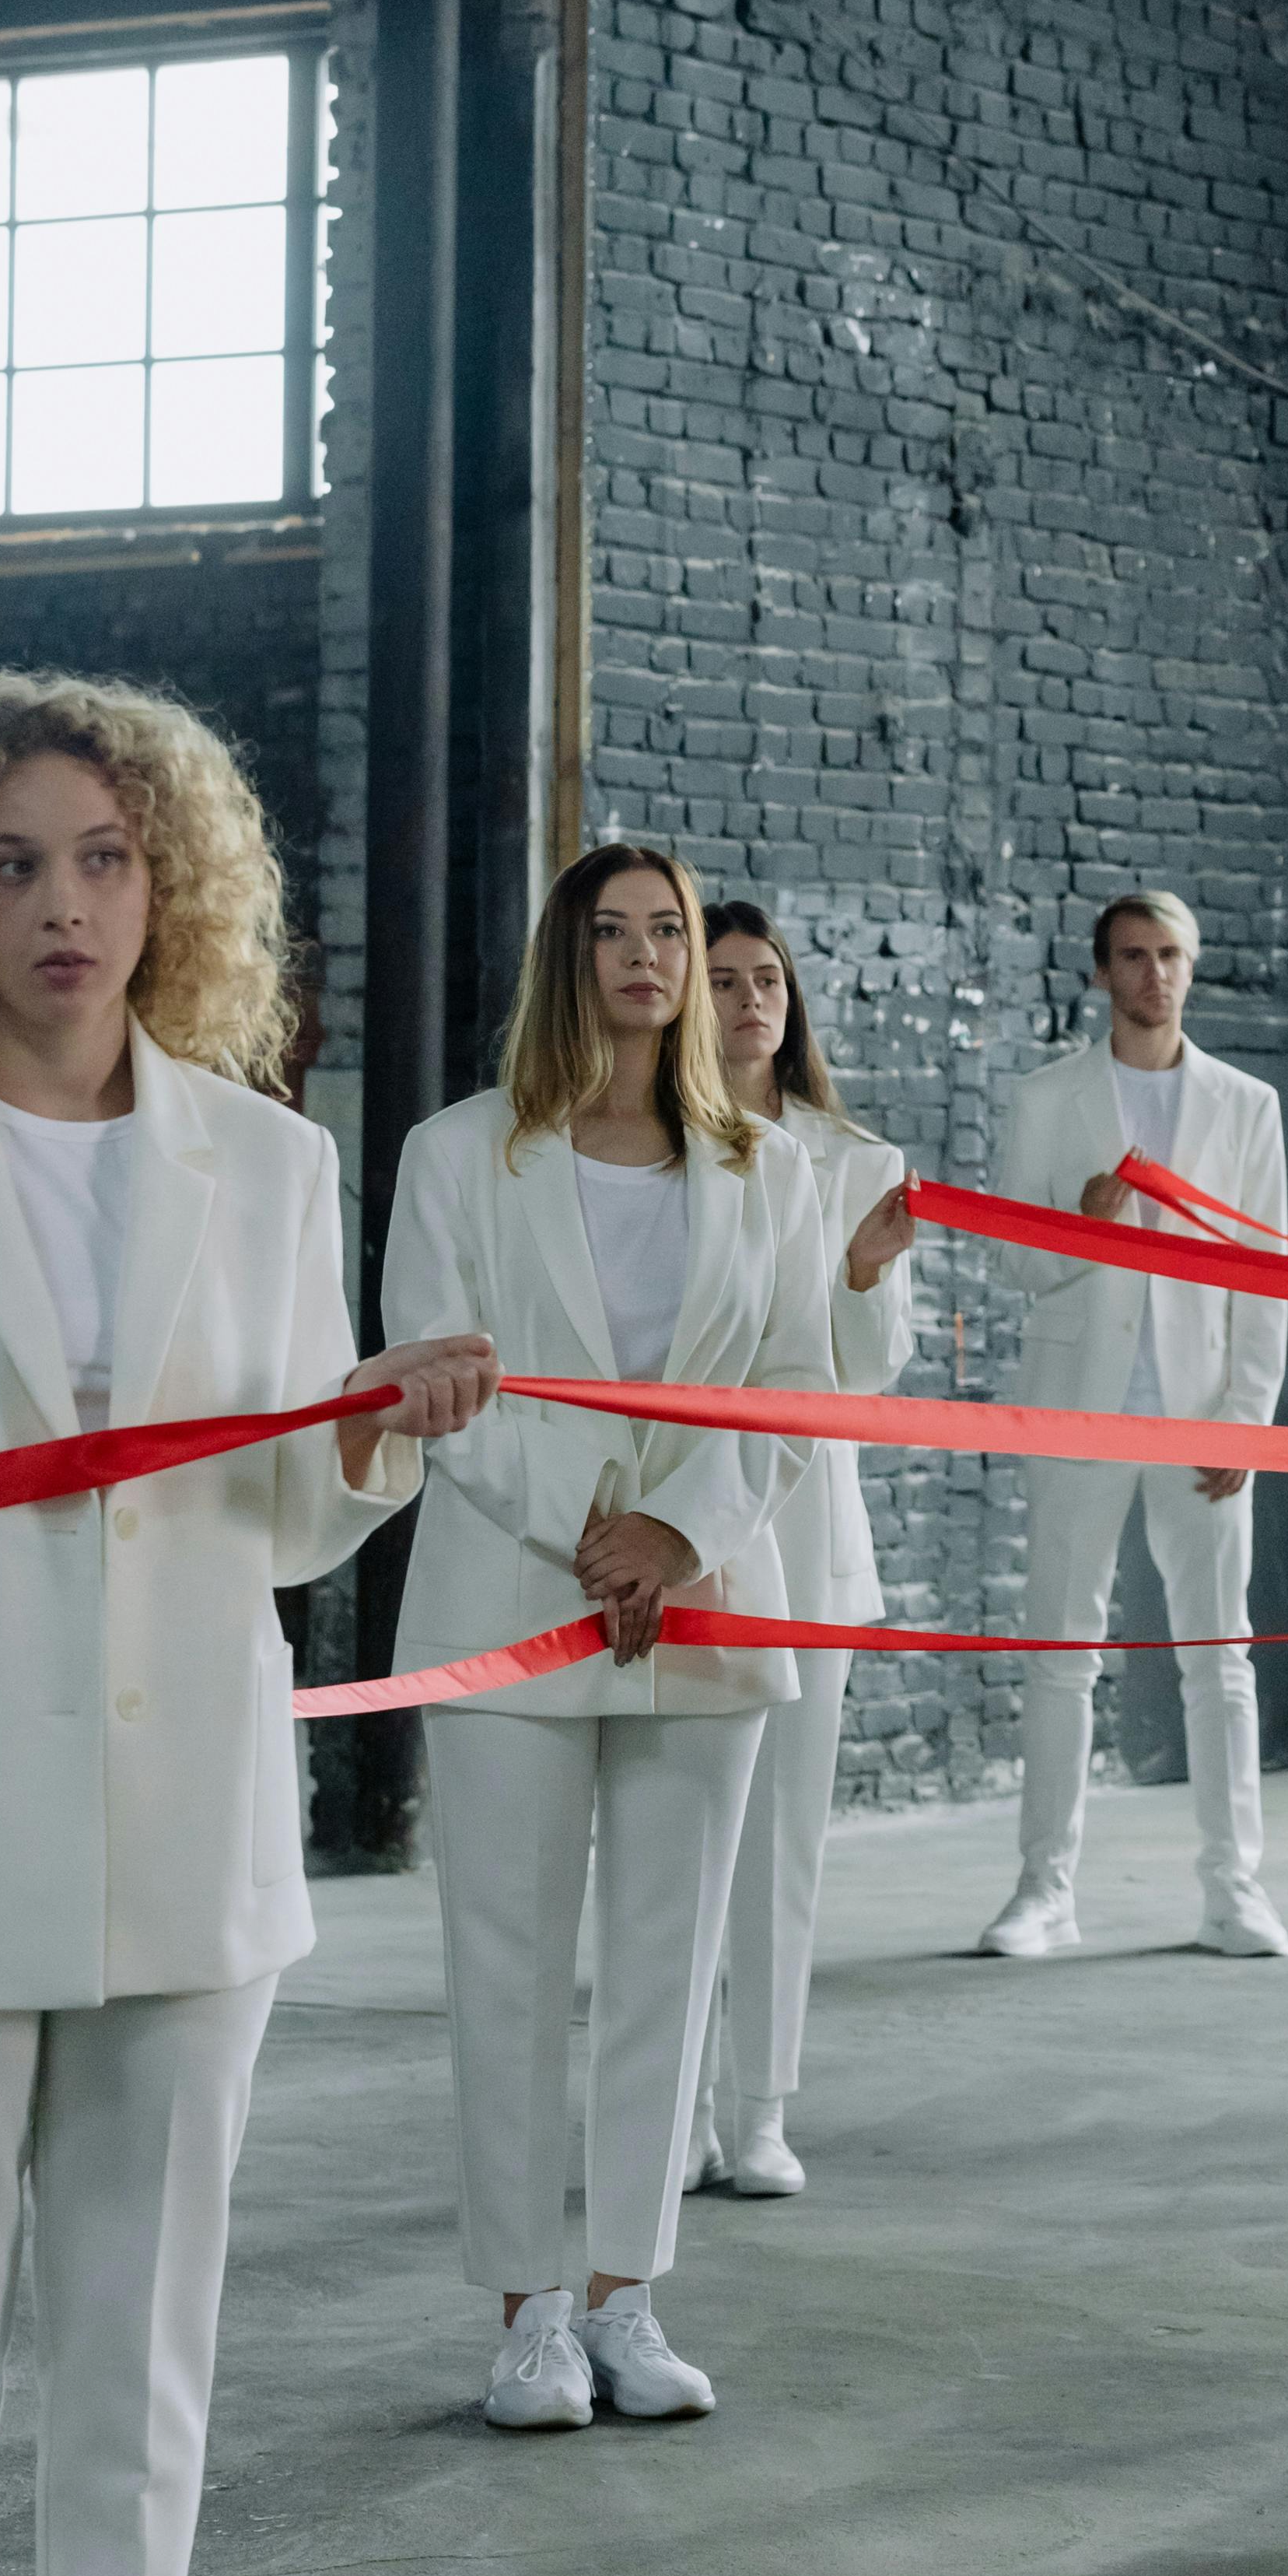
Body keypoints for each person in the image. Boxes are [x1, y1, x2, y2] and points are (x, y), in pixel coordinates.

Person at [0, 671, 493, 2576]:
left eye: (107, 855)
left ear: (177, 882)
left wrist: (383, 1432)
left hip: (185, 1831)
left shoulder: (265, 1158)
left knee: (142, 2358)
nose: (66, 902)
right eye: (15, 856)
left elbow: (271, 1521)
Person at [383, 843, 828, 2435]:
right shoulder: (457, 1155)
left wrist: (679, 1532)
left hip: (704, 1609)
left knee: (669, 1966)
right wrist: (595, 1523)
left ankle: (628, 2295)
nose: (646, 957)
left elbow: (794, 1387)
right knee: (504, 1962)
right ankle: (524, 2312)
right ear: (564, 957)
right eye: (614, 931)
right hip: (511, 1600)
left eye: (671, 931)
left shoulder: (770, 1169)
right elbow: (431, 1380)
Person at [977, 891, 1288, 1962]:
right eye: (1133, 956)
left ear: (1192, 967)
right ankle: (1043, 1891)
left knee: (1220, 1656)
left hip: (1202, 1411)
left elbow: (1268, 1276)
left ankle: (1234, 1890)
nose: (1154, 974)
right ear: (1101, 972)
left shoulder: (1247, 1105)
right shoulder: (1047, 1098)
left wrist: (1246, 1421)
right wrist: (1081, 1226)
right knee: (1061, 1649)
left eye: (1170, 955)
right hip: (1081, 1409)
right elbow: (1014, 1265)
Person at [690, 902, 915, 2196]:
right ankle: (662, 2113)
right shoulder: (644, 1142)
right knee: (668, 1838)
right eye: (721, 979)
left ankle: (758, 2106)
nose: (747, 999)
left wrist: (867, 1275)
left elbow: (866, 1383)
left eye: (766, 978)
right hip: (674, 1522)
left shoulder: (855, 1154)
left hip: (803, 1530)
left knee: (783, 1836)